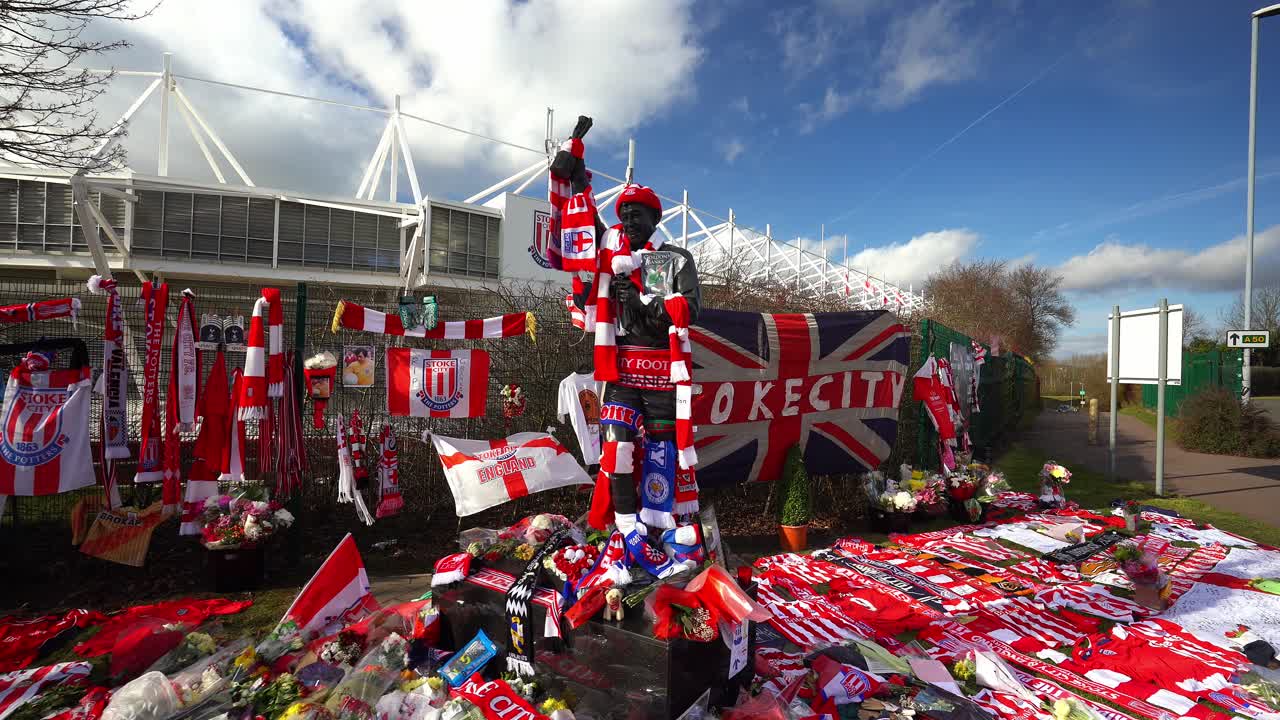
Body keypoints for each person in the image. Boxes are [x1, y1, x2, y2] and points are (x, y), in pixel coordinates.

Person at [555, 119, 702, 578]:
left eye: (638, 214)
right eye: (625, 214)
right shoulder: (611, 252)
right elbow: (584, 215)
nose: (629, 221)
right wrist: (575, 161)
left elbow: (689, 311)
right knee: (615, 446)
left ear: (656, 220)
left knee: (659, 448)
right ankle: (624, 528)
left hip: (660, 371)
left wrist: (639, 302)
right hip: (620, 372)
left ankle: (658, 529)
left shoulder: (673, 259)